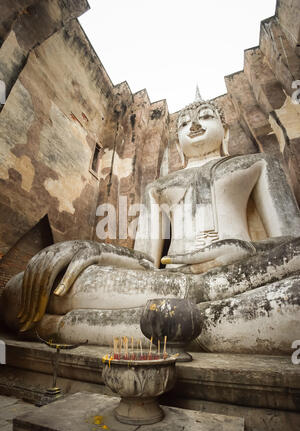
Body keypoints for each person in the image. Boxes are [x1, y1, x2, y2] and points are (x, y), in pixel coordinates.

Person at [2, 97, 300, 354]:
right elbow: (146, 260)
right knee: (21, 290)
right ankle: (196, 320)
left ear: (226, 130)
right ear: (177, 142)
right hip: (173, 284)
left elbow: (291, 241)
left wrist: (246, 249)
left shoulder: (258, 164)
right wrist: (95, 249)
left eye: (206, 117)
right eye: (184, 123)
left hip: (242, 277)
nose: (194, 126)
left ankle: (63, 328)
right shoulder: (160, 186)